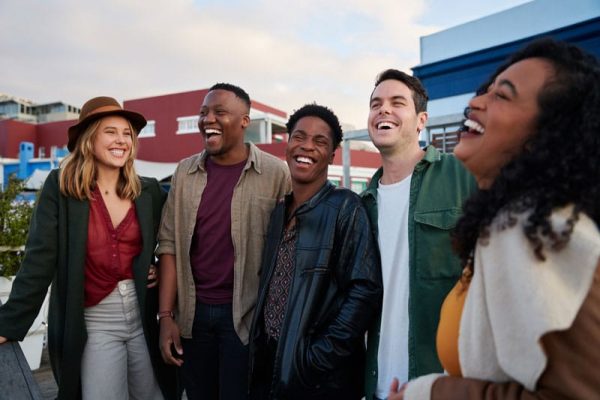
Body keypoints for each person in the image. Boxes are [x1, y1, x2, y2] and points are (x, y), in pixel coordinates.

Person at [393, 38, 600, 399]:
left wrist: (426, 392)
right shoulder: (512, 220)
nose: (474, 102)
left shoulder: (537, 229)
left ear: (545, 137)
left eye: (502, 96)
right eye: (485, 91)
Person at [0, 96, 177, 400]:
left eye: (127, 134)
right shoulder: (61, 187)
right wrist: (9, 323)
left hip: (143, 318)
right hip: (95, 323)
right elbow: (39, 260)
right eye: (110, 131)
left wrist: (161, 267)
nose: (121, 140)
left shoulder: (148, 191)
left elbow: (174, 239)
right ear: (88, 138)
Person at [157, 83, 290, 400]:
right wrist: (165, 317)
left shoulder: (275, 174)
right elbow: (169, 245)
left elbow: (288, 251)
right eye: (203, 113)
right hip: (193, 317)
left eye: (219, 112)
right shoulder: (184, 173)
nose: (208, 119)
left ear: (245, 121)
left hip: (246, 319)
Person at [248, 104, 382, 400]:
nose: (307, 146)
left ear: (332, 154)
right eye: (299, 136)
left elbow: (365, 290)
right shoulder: (279, 210)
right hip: (269, 362)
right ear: (288, 144)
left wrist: (317, 357)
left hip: (318, 375)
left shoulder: (345, 207)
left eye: (320, 141)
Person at [361, 70, 476, 399]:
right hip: (378, 383)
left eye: (397, 103)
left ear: (420, 120)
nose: (383, 110)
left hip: (443, 384)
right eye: (375, 104)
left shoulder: (462, 175)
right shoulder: (361, 205)